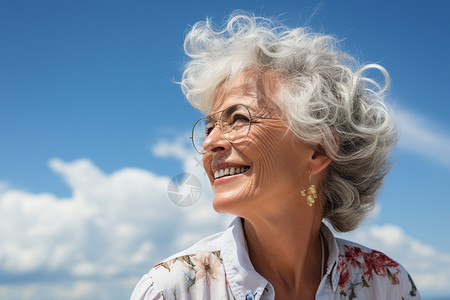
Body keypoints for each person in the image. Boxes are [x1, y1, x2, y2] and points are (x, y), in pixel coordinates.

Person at [131, 12, 420, 300]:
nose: (210, 143)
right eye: (209, 127)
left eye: (239, 119)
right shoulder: (171, 290)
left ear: (318, 151)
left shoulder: (388, 285)